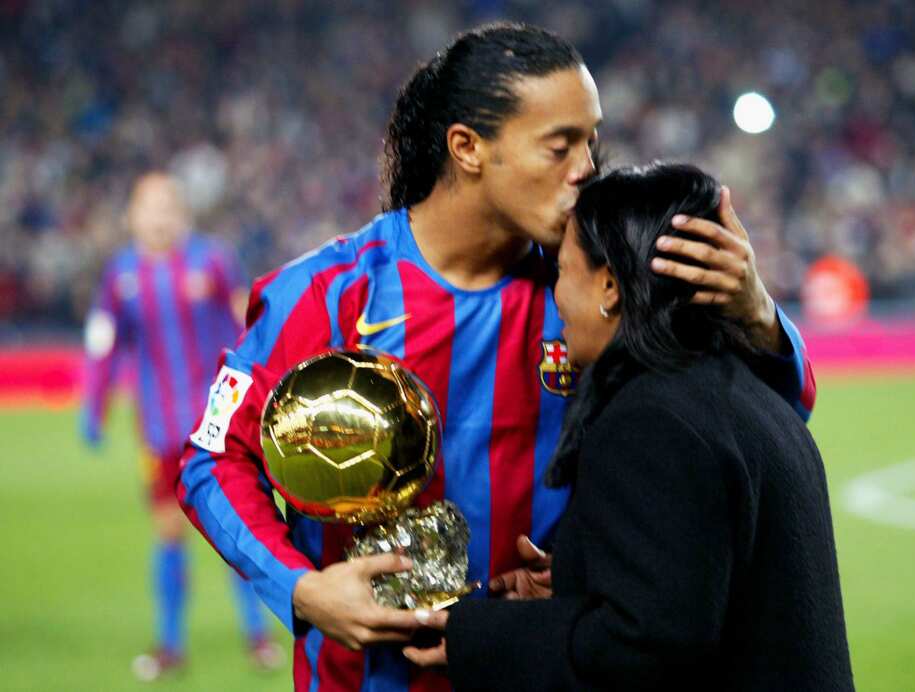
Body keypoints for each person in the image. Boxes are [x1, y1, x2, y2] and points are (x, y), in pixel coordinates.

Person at [177, 23, 816, 691]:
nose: (587, 169)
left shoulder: (596, 290)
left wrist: (759, 314)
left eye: (591, 140)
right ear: (468, 148)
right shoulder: (327, 295)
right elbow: (212, 457)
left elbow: (766, 421)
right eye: (559, 146)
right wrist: (303, 591)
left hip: (545, 672)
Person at [403, 163, 853, 691]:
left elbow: (642, 649)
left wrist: (477, 633)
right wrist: (581, 576)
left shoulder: (649, 422)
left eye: (563, 273)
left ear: (611, 286)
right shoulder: (756, 399)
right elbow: (697, 591)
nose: (556, 300)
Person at [81, 172, 283, 681]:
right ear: (132, 215)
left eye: (168, 204)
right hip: (158, 427)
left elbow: (247, 322)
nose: (160, 215)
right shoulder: (120, 274)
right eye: (149, 206)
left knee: (234, 528)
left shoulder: (212, 259)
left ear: (182, 211)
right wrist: (95, 404)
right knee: (168, 532)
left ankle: (258, 637)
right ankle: (170, 645)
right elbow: (105, 343)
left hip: (217, 426)